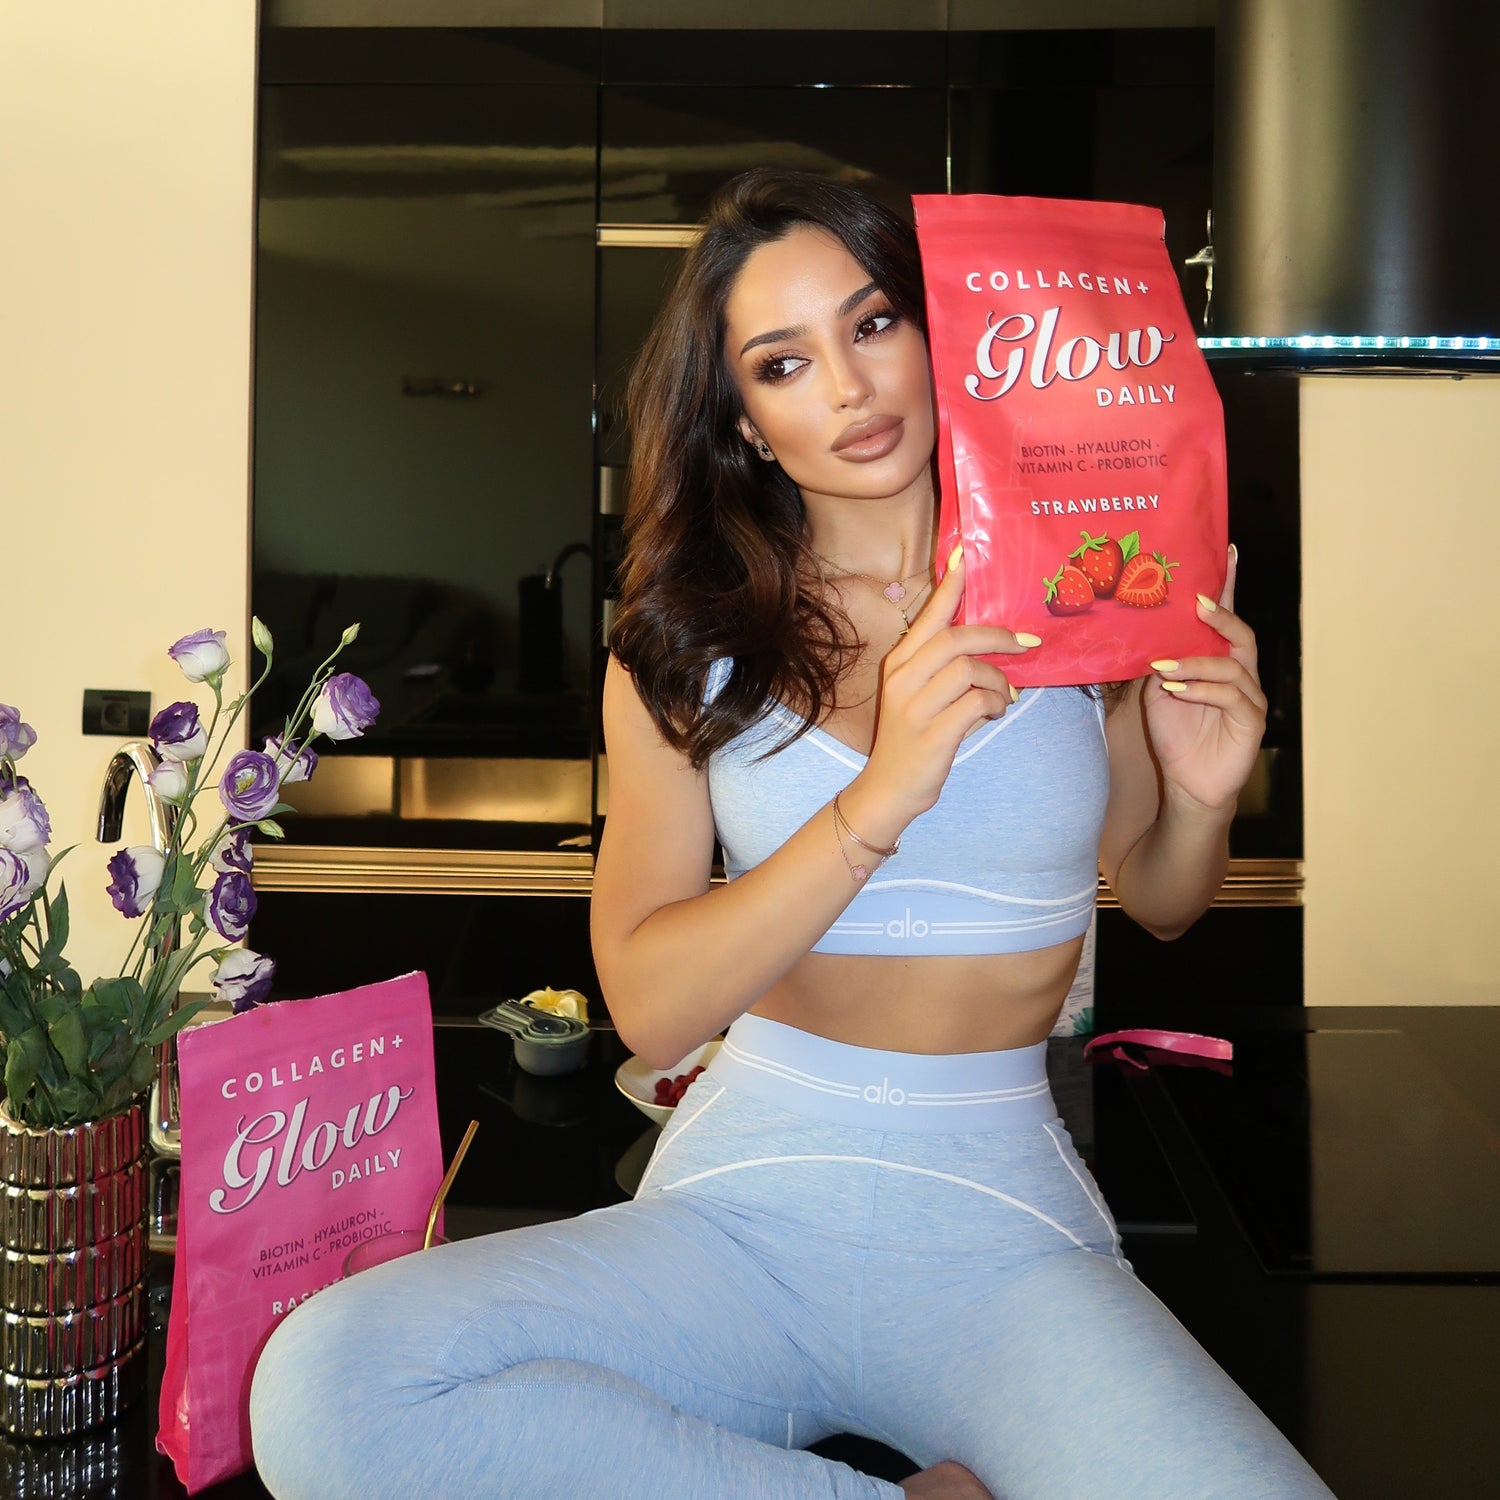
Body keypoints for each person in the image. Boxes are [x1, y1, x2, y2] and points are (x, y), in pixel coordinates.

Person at [250, 169, 1335, 1500]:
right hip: (746, 1206)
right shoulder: (683, 649)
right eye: (784, 362)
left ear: (944, 333)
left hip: (1000, 1225)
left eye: (874, 324)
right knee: (329, 1385)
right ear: (747, 422)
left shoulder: (1081, 587)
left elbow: (1160, 898)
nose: (849, 386)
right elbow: (653, 1007)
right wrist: (884, 792)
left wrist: (1205, 793)